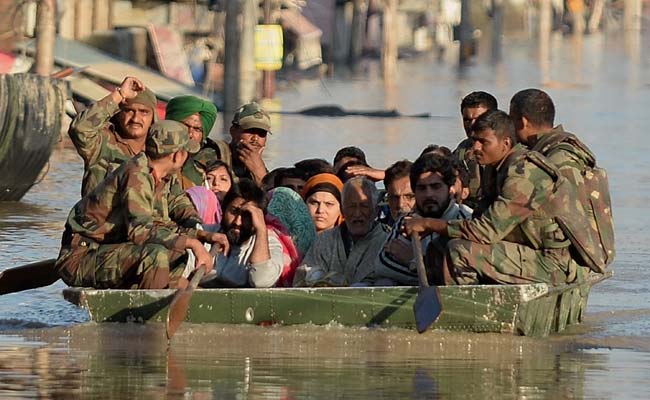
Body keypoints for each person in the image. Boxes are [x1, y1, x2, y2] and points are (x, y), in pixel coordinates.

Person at [404, 110, 576, 285]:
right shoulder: (494, 170)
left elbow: (485, 231)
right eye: (474, 141)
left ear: (505, 143)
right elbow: (478, 221)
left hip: (552, 264)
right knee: (439, 247)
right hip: (522, 254)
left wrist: (429, 224)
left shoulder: (524, 174)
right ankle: (447, 302)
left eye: (483, 142)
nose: (476, 148)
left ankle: (471, 305)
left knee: (461, 250)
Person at [55, 120, 229, 290]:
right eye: (186, 152)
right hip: (83, 256)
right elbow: (140, 232)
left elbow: (168, 215)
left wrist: (203, 234)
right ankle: (149, 309)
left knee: (177, 251)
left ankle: (167, 291)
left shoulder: (164, 175)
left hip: (111, 250)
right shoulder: (137, 175)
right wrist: (193, 243)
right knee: (155, 255)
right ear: (177, 155)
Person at [509, 88, 613, 278]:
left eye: (511, 120)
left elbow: (574, 218)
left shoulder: (560, 159)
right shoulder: (546, 151)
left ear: (522, 121)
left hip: (570, 261)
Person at [376, 154, 471, 285]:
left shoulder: (466, 220)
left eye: (436, 187)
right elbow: (383, 265)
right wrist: (433, 274)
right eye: (422, 188)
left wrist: (413, 259)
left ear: (451, 189)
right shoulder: (407, 221)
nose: (429, 194)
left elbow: (460, 278)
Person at [69, 76, 158, 196]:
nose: (136, 119)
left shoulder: (158, 150)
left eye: (144, 112)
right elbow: (80, 129)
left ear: (153, 117)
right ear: (119, 114)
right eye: (129, 111)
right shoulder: (102, 143)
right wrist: (120, 94)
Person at [295, 177, 389, 287]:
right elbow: (303, 276)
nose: (357, 213)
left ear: (375, 210)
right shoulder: (324, 240)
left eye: (364, 206)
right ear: (342, 210)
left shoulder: (387, 240)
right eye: (351, 206)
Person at [201, 179, 285, 288]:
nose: (237, 222)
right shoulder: (206, 234)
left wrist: (261, 230)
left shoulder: (270, 244)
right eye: (233, 211)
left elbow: (261, 282)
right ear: (224, 209)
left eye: (247, 215)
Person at [452, 91, 498, 208]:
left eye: (479, 119)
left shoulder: (507, 151)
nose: (472, 125)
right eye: (467, 120)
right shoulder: (461, 151)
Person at [164, 95, 219, 188]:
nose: (190, 134)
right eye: (185, 126)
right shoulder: (149, 162)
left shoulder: (203, 173)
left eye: (197, 129)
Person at [228, 102, 272, 184]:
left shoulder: (262, 169)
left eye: (261, 133)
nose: (255, 138)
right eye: (249, 131)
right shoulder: (216, 156)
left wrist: (259, 174)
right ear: (233, 131)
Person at [382, 160, 415, 225]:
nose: (400, 204)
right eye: (395, 197)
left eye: (409, 197)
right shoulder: (379, 232)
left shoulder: (437, 231)